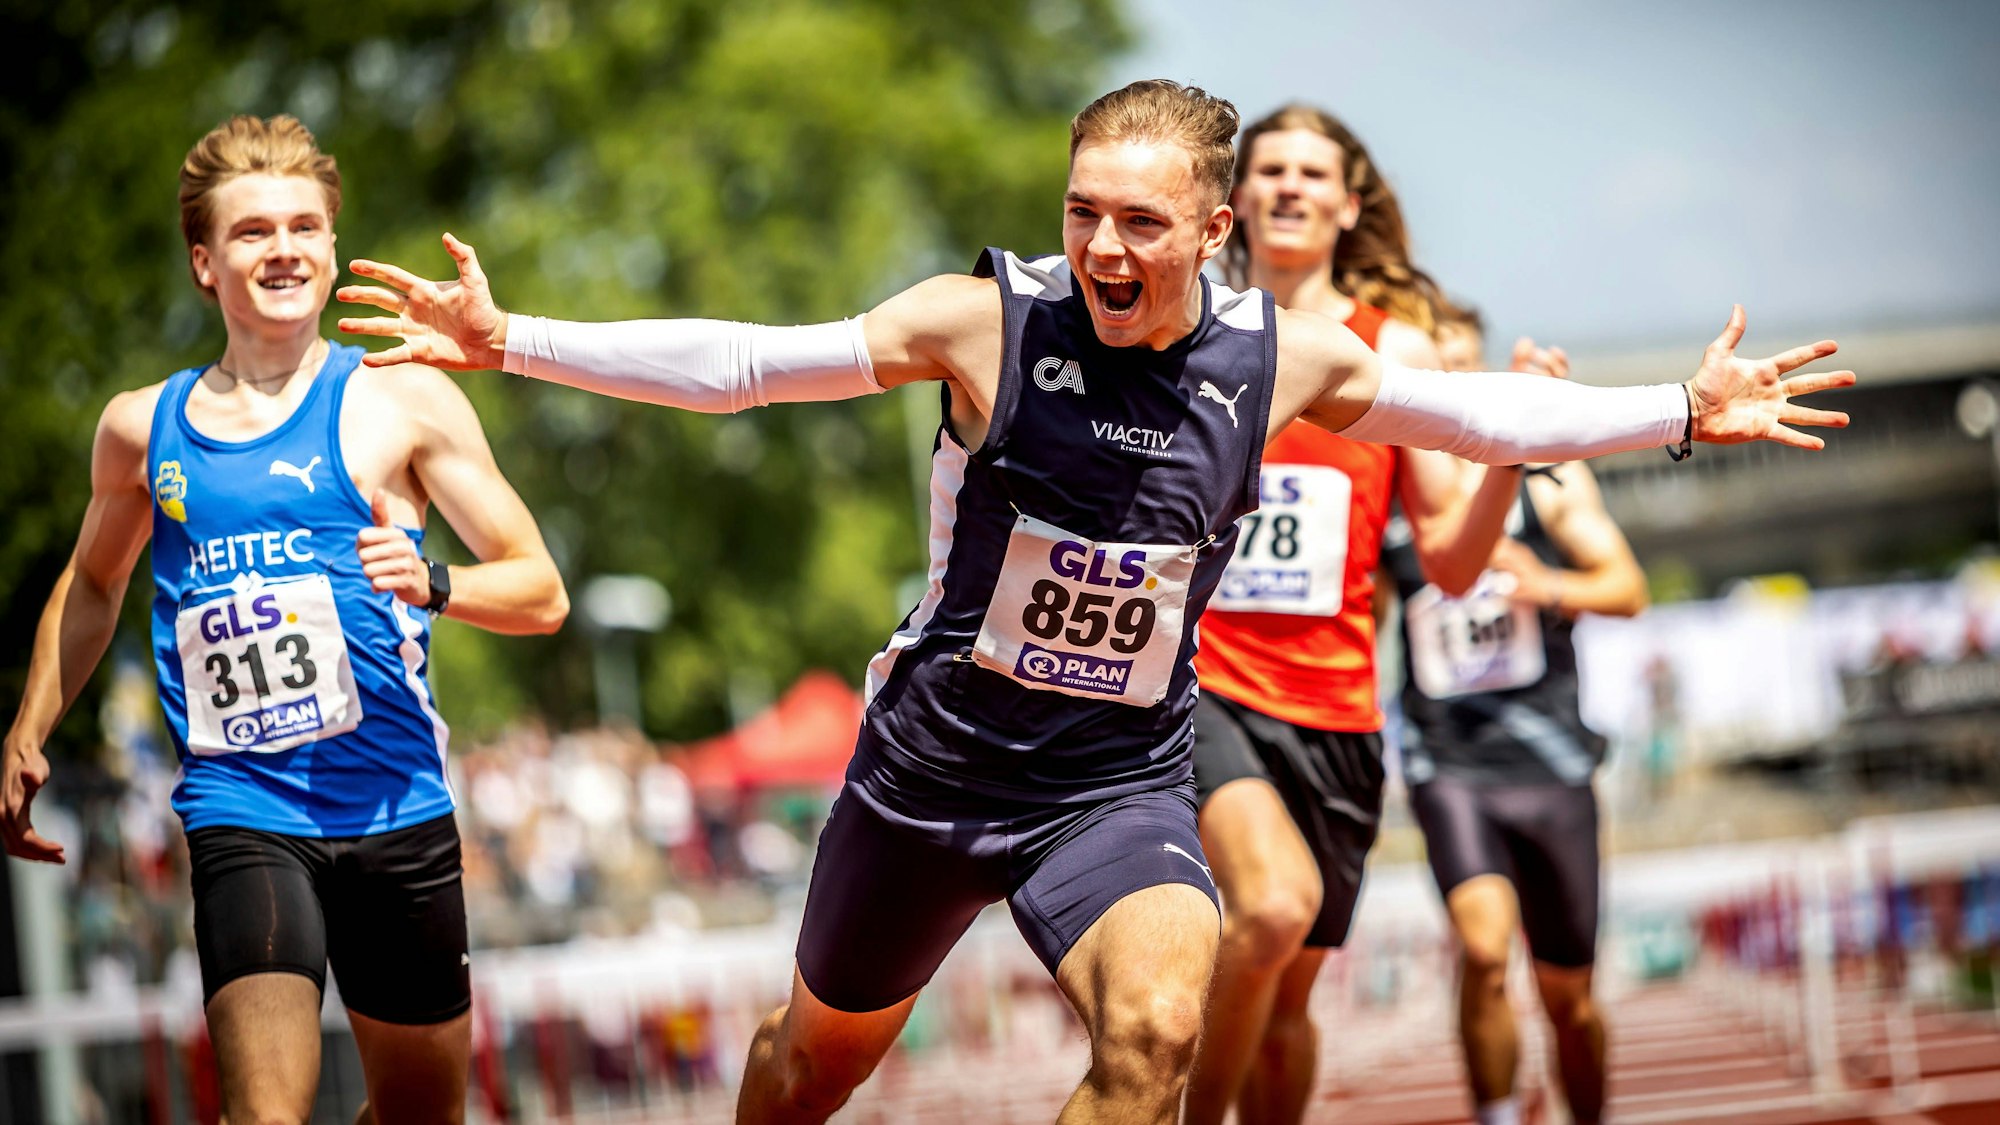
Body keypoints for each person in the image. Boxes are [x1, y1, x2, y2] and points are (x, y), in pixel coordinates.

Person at [333, 79, 1851, 1124]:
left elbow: (1476, 422)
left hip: (1113, 784)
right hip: (929, 774)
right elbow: (745, 367)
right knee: (808, 1069)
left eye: (1140, 223)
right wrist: (510, 337)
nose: (1105, 250)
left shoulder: (1281, 365)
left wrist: (1677, 409)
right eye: (1083, 215)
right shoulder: (986, 323)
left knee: (1157, 1031)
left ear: (1213, 232)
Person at [0, 115, 569, 1124]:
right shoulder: (143, 428)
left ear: (332, 250)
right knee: (264, 1115)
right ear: (204, 263)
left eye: (305, 227)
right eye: (254, 231)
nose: (284, 249)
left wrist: (435, 583)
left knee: (419, 1112)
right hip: (243, 807)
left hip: (396, 806)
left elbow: (540, 588)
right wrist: (30, 724)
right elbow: (93, 584)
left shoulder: (405, 401)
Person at [1183, 103, 1564, 1125]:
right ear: (1233, 201)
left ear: (1348, 205)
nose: (1288, 188)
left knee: (1283, 1001)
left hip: (1338, 719)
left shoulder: (1393, 348)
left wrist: (1505, 460)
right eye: (1267, 170)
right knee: (1264, 909)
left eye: (1312, 172)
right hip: (1203, 691)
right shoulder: (1190, 330)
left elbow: (1445, 563)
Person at [1386, 301, 1646, 1125]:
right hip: (1447, 759)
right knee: (1485, 951)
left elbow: (1628, 587)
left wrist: (1552, 585)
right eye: (1436, 367)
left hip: (1552, 758)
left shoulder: (1551, 472)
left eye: (1464, 362)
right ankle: (1498, 1113)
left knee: (1569, 994)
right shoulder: (1394, 484)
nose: (1452, 381)